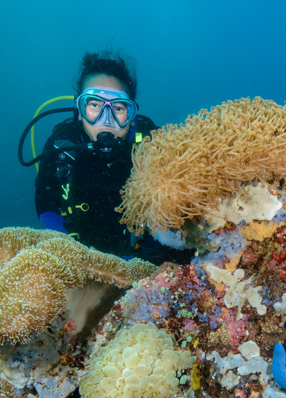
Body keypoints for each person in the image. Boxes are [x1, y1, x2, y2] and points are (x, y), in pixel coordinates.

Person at [35, 51, 189, 263]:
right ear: (79, 110)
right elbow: (45, 205)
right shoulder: (60, 147)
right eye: (94, 106)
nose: (106, 119)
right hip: (82, 255)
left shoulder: (155, 143)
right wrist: (71, 250)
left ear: (131, 113)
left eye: (118, 108)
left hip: (147, 256)